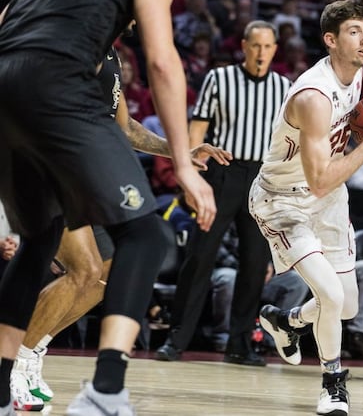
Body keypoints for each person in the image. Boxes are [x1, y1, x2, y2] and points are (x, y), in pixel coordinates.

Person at [0, 0, 217, 415]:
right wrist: (183, 163)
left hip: (7, 87)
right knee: (145, 236)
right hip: (59, 84)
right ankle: (106, 390)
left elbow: (7, 22)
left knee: (39, 242)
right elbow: (163, 60)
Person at [10, 47, 230, 411]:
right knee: (84, 269)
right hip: (50, 169)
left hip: (82, 179)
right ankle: (13, 363)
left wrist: (180, 153)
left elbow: (125, 126)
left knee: (103, 273)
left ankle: (30, 352)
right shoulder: (77, 42)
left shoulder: (109, 54)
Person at [249, 0, 363, 416]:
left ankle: (287, 320)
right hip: (283, 202)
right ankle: (333, 384)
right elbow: (317, 179)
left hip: (329, 196)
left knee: (346, 304)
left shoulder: (355, 72)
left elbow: (343, 138)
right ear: (330, 40)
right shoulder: (312, 95)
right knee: (332, 297)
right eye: (354, 32)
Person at [156, 20, 291, 366]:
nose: (262, 53)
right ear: (244, 46)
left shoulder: (285, 87)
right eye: (256, 45)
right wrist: (190, 176)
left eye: (268, 46)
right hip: (223, 172)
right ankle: (176, 339)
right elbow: (197, 129)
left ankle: (240, 344)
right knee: (200, 257)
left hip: (262, 177)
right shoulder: (219, 78)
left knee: (254, 264)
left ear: (276, 49)